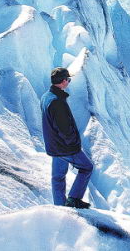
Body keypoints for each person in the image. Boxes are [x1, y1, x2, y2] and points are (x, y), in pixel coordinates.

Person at [41, 67, 93, 209]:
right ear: (63, 81)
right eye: (68, 79)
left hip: (54, 147)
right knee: (87, 168)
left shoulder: (46, 97)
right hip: (65, 147)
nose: (69, 82)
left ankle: (60, 206)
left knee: (58, 178)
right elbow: (64, 128)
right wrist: (74, 144)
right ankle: (74, 199)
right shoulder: (57, 101)